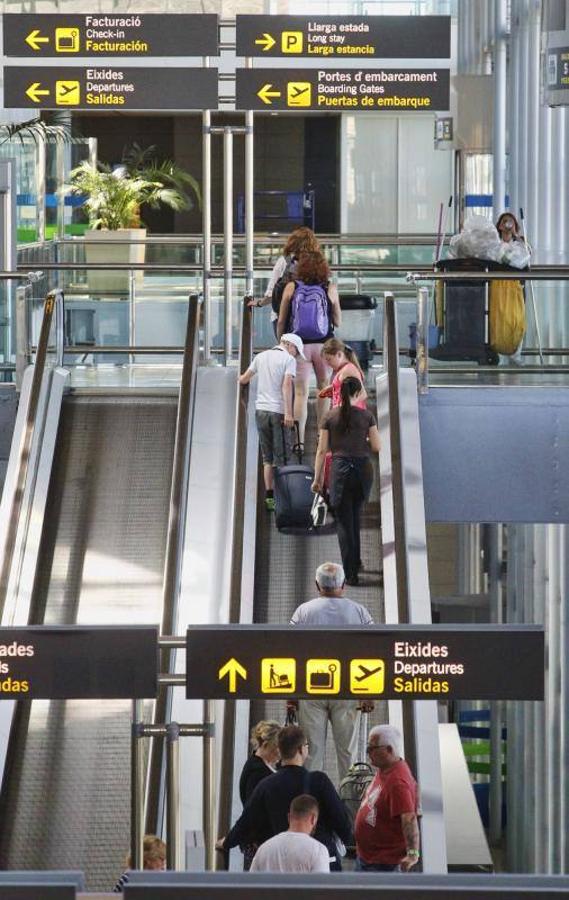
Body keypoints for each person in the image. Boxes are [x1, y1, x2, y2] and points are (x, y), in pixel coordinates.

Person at [216, 725, 352, 871]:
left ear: (280, 751)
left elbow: (246, 822)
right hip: (321, 862)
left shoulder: (266, 785)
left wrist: (226, 843)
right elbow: (342, 821)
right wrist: (351, 845)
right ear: (301, 749)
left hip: (281, 862)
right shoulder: (319, 781)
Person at [289, 562, 374, 780]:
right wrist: (369, 693)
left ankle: (311, 805)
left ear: (317, 584)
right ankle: (348, 808)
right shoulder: (360, 612)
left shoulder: (303, 612)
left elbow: (290, 652)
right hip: (348, 689)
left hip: (310, 690)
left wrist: (291, 695)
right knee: (348, 753)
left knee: (311, 754)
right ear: (344, 584)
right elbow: (372, 653)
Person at [312, 378, 380, 586]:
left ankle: (350, 573)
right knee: (355, 518)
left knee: (344, 522)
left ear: (339, 393)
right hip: (363, 471)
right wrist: (363, 441)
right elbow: (377, 447)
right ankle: (356, 562)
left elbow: (322, 450)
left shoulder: (329, 416)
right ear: (358, 393)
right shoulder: (367, 416)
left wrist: (317, 480)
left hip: (340, 471)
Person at [277, 251, 342, 450]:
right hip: (324, 346)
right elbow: (338, 321)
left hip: (299, 346)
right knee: (323, 389)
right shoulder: (329, 287)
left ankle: (299, 442)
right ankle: (322, 440)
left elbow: (281, 320)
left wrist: (281, 341)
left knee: (300, 393)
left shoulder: (291, 287)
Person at [239, 333, 306, 511]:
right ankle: (284, 501)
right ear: (290, 346)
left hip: (260, 411)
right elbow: (286, 386)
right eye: (297, 352)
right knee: (282, 458)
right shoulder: (287, 359)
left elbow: (244, 378)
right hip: (278, 413)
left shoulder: (260, 356)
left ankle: (270, 501)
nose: (296, 356)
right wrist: (289, 413)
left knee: (267, 459)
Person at [354, 724, 420, 873]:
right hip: (369, 859)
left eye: (372, 748)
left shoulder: (397, 782)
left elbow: (409, 818)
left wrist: (413, 854)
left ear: (389, 750)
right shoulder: (386, 768)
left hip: (382, 864)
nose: (368, 752)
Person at [248, 226, 322, 337]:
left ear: (292, 242)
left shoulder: (284, 262)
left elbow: (272, 294)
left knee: (287, 352)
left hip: (285, 318)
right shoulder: (318, 264)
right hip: (314, 318)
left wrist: (259, 303)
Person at [238, 720, 281, 869]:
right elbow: (254, 809)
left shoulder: (260, 766)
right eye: (277, 748)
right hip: (259, 840)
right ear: (266, 745)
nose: (279, 753)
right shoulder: (258, 772)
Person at [249, 794, 330, 873]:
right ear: (313, 819)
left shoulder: (264, 849)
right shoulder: (318, 850)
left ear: (289, 817)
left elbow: (250, 884)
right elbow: (321, 885)